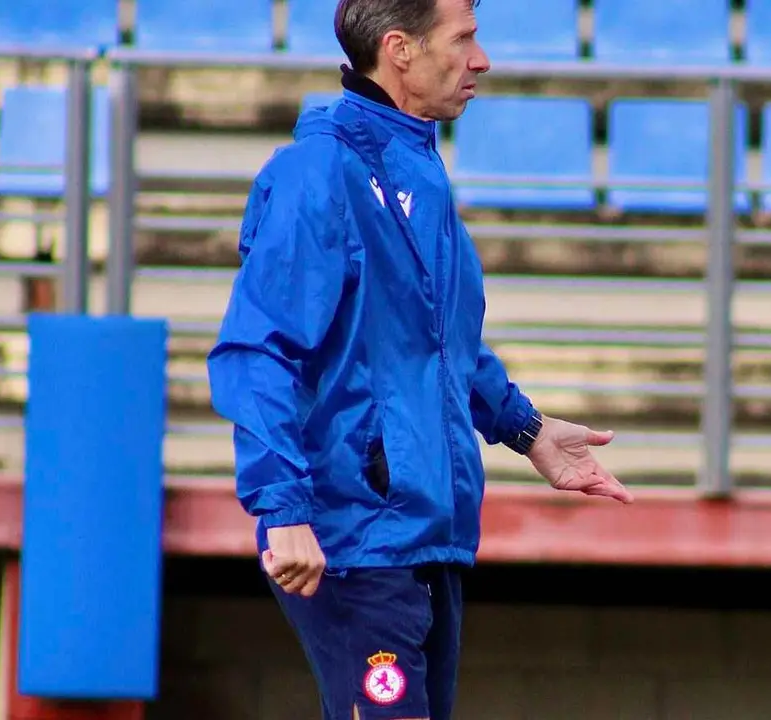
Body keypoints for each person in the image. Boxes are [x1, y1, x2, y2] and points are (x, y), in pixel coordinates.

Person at [205, 0, 633, 718]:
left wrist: (526, 430)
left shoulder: (415, 166)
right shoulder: (321, 174)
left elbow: (436, 340)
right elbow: (257, 351)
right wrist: (282, 509)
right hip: (354, 537)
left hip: (424, 533)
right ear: (399, 50)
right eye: (464, 38)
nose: (482, 59)